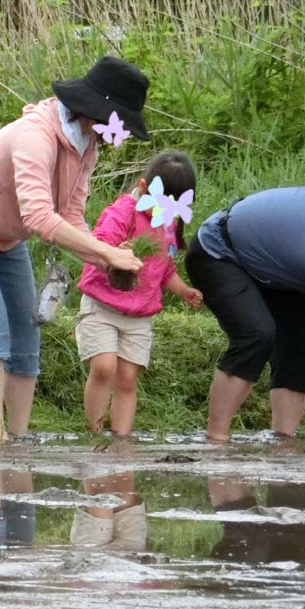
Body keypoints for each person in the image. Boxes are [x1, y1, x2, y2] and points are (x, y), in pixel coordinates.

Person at [0, 56, 148, 441]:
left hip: (5, 231)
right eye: (121, 123)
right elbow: (40, 219)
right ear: (99, 111)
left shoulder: (86, 146)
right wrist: (108, 254)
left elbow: (72, 217)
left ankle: (19, 437)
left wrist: (107, 254)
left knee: (28, 337)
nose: (120, 133)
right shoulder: (37, 134)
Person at [76, 152, 204, 437]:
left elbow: (164, 269)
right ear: (143, 187)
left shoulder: (167, 223)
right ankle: (96, 433)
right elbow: (99, 246)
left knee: (127, 378)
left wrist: (184, 291)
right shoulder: (123, 211)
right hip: (103, 306)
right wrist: (117, 252)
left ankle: (121, 440)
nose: (162, 213)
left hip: (139, 315)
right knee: (103, 367)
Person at [183, 187, 305, 441]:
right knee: (256, 333)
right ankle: (215, 439)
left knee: (303, 344)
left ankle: (281, 441)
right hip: (218, 251)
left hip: (272, 265)